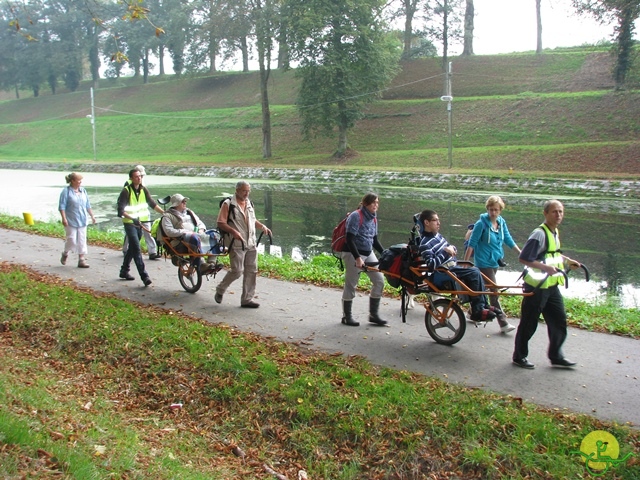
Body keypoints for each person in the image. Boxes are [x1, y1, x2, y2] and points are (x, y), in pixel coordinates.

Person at [512, 200, 582, 369]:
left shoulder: (554, 232)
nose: (558, 215)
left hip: (551, 287)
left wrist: (568, 261)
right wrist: (545, 268)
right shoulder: (539, 234)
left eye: (560, 212)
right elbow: (524, 258)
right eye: (554, 212)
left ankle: (556, 355)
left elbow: (552, 254)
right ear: (545, 213)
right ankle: (519, 356)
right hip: (536, 287)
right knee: (529, 323)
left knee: (559, 321)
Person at [417, 209, 497, 322]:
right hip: (443, 272)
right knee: (474, 273)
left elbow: (449, 247)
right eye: (435, 220)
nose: (439, 223)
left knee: (475, 270)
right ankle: (477, 310)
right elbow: (431, 265)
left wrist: (451, 249)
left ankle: (483, 305)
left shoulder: (438, 236)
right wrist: (446, 252)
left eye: (438, 220)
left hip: (451, 267)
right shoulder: (424, 243)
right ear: (426, 222)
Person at [464, 195, 521, 334]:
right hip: (483, 262)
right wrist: (465, 263)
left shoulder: (501, 222)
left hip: (495, 261)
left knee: (484, 288)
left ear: (500, 210)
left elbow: (508, 239)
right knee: (493, 292)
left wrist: (521, 253)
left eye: (495, 210)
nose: (493, 213)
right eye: (490, 209)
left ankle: (471, 312)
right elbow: (472, 244)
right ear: (487, 209)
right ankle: (503, 322)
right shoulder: (481, 224)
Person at [215, 181, 272, 308]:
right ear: (237, 190)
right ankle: (220, 289)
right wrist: (233, 231)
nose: (246, 193)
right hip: (236, 243)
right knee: (237, 271)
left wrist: (262, 226)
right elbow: (220, 222)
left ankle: (247, 299)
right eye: (244, 191)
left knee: (251, 271)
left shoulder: (249, 203)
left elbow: (253, 220)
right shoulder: (228, 204)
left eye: (248, 191)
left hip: (251, 243)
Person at [340, 192, 387, 327]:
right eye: (373, 202)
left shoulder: (373, 218)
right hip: (352, 253)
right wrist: (357, 258)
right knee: (351, 284)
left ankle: (373, 315)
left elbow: (375, 240)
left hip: (368, 252)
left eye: (377, 202)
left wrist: (385, 254)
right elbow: (349, 238)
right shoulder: (356, 216)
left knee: (379, 281)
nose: (376, 205)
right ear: (366, 203)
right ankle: (346, 316)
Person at [117, 168, 164, 286]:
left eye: (140, 176)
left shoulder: (143, 190)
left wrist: (165, 213)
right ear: (131, 178)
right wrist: (132, 218)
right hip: (130, 223)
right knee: (136, 249)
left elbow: (152, 204)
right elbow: (120, 211)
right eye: (137, 176)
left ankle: (124, 271)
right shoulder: (126, 191)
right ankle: (144, 276)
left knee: (132, 249)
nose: (139, 178)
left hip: (140, 223)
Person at [160, 193, 219, 275]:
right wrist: (185, 232)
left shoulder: (189, 212)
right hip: (180, 241)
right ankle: (201, 265)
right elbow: (169, 231)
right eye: (183, 202)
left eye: (185, 201)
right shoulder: (167, 216)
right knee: (193, 238)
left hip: (197, 235)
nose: (185, 203)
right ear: (176, 204)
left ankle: (211, 263)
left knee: (214, 235)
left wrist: (201, 230)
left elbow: (200, 223)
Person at [122, 165, 161, 260]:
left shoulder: (142, 186)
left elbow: (150, 201)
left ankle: (152, 252)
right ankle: (126, 249)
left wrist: (163, 212)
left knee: (149, 233)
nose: (141, 178)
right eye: (139, 176)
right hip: (131, 217)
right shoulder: (128, 186)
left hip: (143, 216)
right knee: (130, 235)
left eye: (142, 176)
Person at [58, 172, 96, 268]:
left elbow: (87, 205)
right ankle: (65, 253)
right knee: (71, 240)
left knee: (82, 240)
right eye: (78, 180)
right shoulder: (66, 192)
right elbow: (62, 206)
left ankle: (81, 259)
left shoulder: (83, 191)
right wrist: (64, 218)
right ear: (72, 181)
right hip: (71, 219)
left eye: (81, 180)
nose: (80, 182)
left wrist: (92, 216)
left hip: (82, 219)